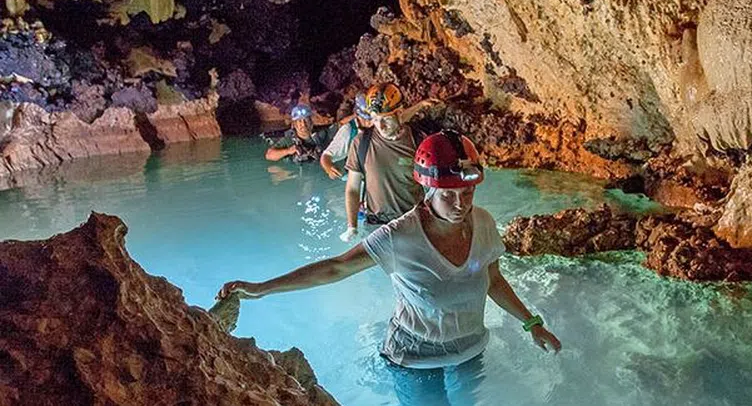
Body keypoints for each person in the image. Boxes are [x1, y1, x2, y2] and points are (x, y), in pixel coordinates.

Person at [218, 130, 562, 406]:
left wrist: (532, 324)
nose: (461, 204)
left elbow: (494, 280)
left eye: (467, 192)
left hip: (469, 350)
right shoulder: (400, 236)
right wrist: (261, 288)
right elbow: (336, 268)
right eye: (449, 194)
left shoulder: (483, 222)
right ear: (428, 187)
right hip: (414, 360)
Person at [340, 83, 431, 242]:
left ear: (400, 112)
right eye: (375, 119)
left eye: (386, 119)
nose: (380, 126)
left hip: (414, 223)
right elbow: (353, 188)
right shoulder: (361, 143)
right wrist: (351, 226)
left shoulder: (418, 141)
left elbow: (435, 188)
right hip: (377, 225)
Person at [320, 93, 373, 180]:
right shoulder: (349, 130)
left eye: (371, 119)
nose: (369, 123)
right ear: (358, 116)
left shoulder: (379, 125)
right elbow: (326, 156)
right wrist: (329, 168)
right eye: (365, 119)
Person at [265, 103, 335, 163]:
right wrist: (288, 151)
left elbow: (341, 125)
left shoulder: (322, 134)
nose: (303, 124)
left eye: (306, 120)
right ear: (294, 124)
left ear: (311, 122)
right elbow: (269, 155)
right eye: (299, 122)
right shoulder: (289, 139)